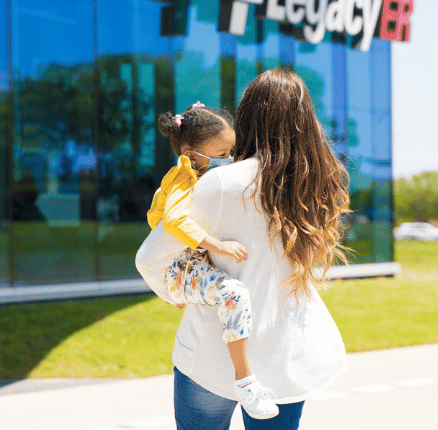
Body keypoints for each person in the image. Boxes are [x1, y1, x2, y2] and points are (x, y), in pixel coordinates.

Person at [136, 69, 351, 429]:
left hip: (210, 359)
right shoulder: (316, 185)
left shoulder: (220, 183)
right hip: (286, 359)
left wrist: (178, 292)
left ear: (248, 117)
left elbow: (149, 258)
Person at [146, 101, 279, 420]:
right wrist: (216, 245)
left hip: (188, 265)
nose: (229, 161)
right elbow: (175, 222)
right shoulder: (183, 174)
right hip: (182, 265)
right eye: (221, 155)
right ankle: (246, 381)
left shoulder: (200, 176)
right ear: (191, 153)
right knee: (235, 295)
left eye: (231, 154)